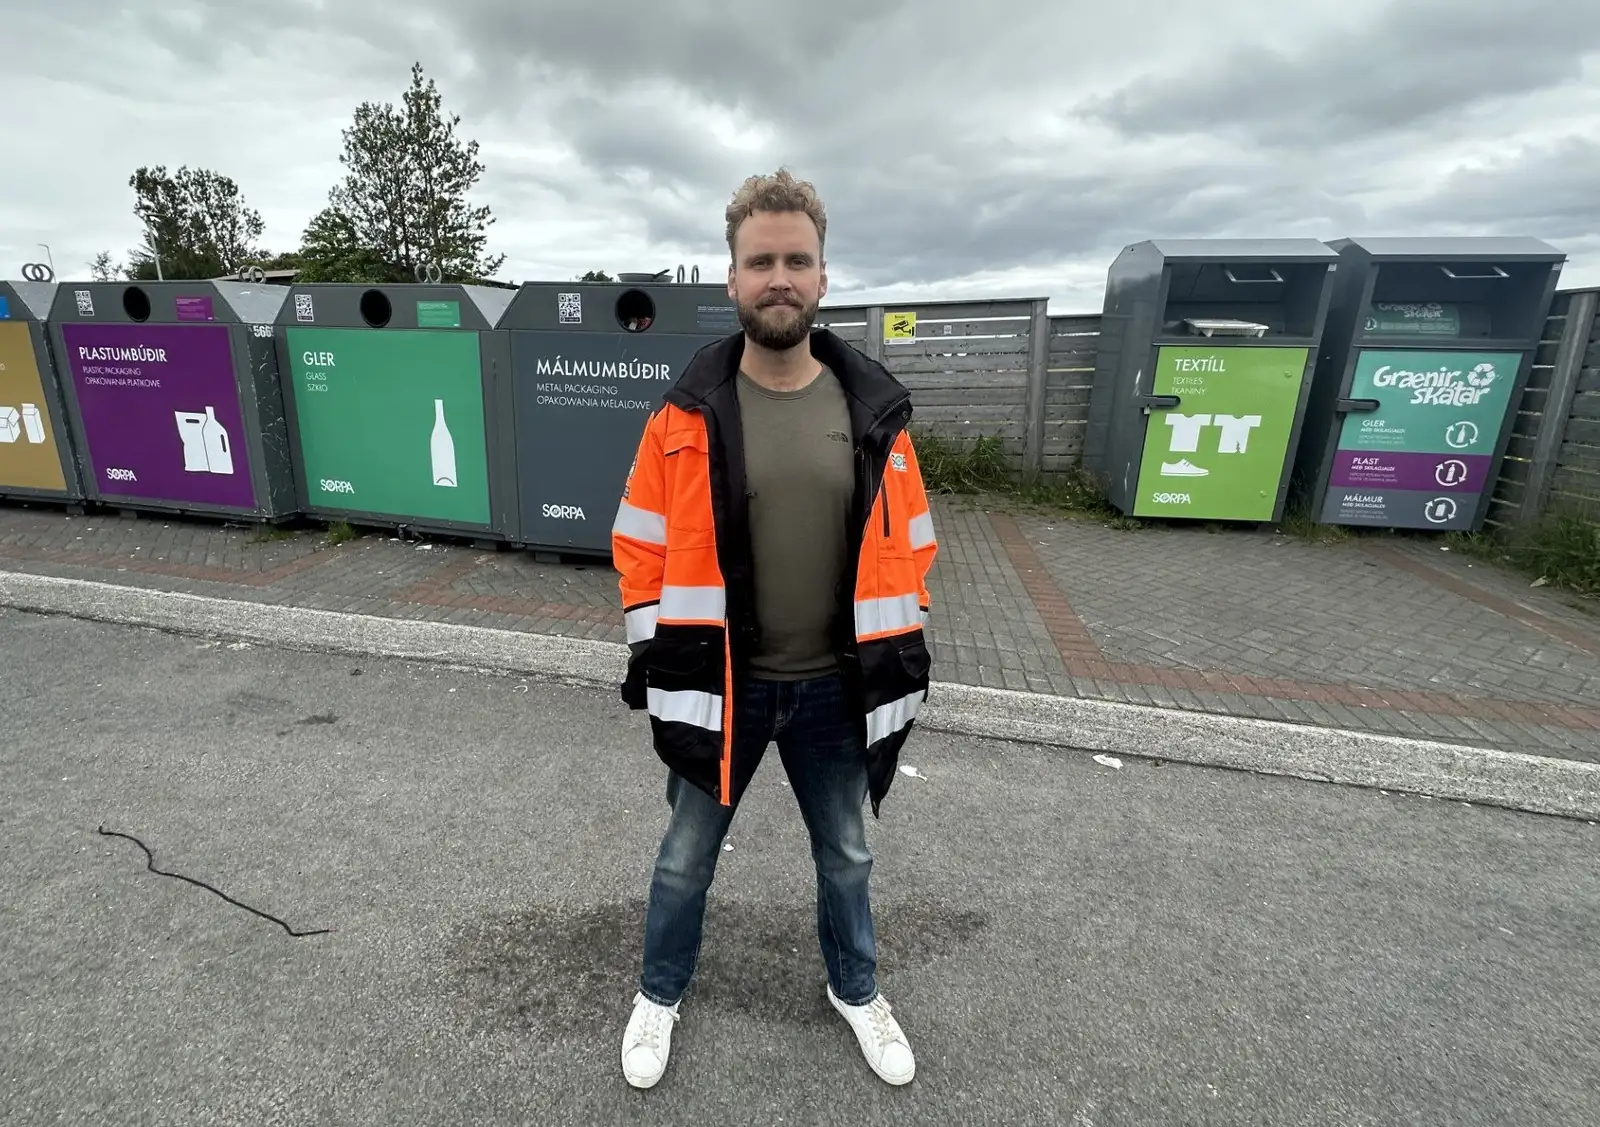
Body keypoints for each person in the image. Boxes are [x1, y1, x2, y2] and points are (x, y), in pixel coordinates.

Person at [610, 168, 939, 1089]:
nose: (780, 277)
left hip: (837, 689)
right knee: (684, 860)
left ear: (824, 277)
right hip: (723, 685)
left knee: (848, 855)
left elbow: (913, 542)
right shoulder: (681, 416)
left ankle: (856, 987)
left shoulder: (873, 413)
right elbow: (638, 542)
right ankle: (658, 993)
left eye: (798, 260)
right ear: (732, 278)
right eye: (761, 261)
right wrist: (659, 654)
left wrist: (904, 637)